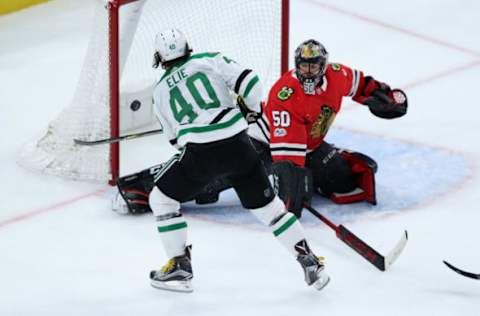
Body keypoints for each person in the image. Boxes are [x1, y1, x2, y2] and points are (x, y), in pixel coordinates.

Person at [145, 29, 330, 293]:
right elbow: (251, 82)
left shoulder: (160, 90)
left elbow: (175, 141)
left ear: (159, 57)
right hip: (240, 147)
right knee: (272, 211)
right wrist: (253, 110)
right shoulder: (209, 60)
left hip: (199, 155)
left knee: (161, 199)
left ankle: (179, 266)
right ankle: (310, 261)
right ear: (187, 47)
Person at [260, 39, 407, 214]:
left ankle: (321, 169)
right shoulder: (285, 96)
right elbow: (287, 157)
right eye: (303, 66)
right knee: (259, 183)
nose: (307, 73)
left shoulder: (337, 74)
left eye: (313, 67)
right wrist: (291, 185)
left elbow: (362, 85)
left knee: (344, 183)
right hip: (266, 143)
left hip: (308, 145)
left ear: (323, 67)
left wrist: (384, 95)